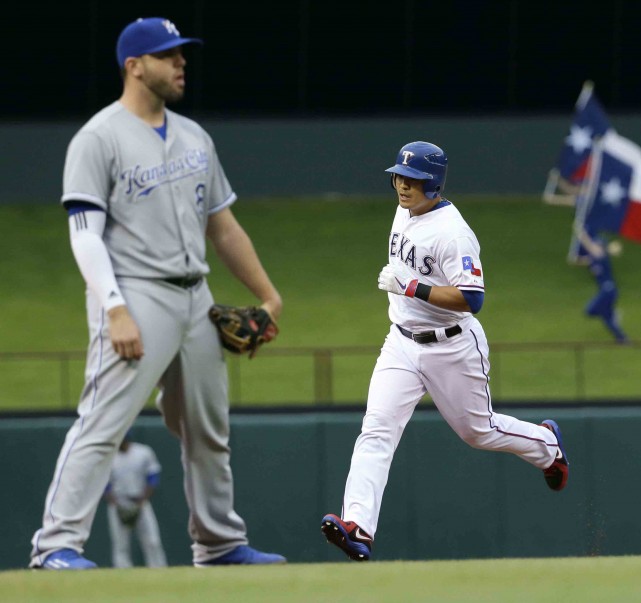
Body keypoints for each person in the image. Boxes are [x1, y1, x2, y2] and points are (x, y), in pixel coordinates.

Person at [29, 17, 286, 570]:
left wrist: (268, 295)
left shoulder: (195, 135)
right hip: (136, 295)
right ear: (134, 65)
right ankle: (55, 546)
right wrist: (115, 309)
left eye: (181, 54)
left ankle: (218, 544)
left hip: (198, 298)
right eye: (168, 54)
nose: (180, 63)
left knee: (208, 428)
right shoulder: (98, 138)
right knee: (103, 423)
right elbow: (84, 236)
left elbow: (224, 227)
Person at [321, 141, 569, 561]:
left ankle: (547, 444)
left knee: (479, 432)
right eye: (399, 176)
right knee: (376, 430)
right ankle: (358, 528)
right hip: (401, 341)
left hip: (452, 345)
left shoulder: (453, 232)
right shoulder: (405, 209)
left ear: (432, 183)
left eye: (412, 179)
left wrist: (412, 286)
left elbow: (473, 298)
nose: (402, 185)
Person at [104, 430, 167, 568]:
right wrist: (114, 502)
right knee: (120, 544)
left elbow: (153, 477)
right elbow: (104, 484)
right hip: (118, 502)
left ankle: (159, 570)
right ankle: (122, 573)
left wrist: (143, 499)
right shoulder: (109, 456)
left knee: (152, 540)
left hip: (140, 501)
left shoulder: (143, 452)